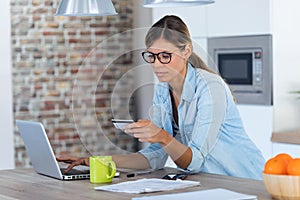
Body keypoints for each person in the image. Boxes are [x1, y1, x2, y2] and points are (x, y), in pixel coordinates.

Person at [57, 15, 265, 180]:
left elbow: (194, 161)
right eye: (151, 56)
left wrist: (162, 136)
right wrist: (94, 161)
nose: (157, 64)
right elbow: (155, 157)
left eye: (165, 56)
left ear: (186, 51)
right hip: (210, 184)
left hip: (245, 182)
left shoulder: (210, 88)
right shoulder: (162, 90)